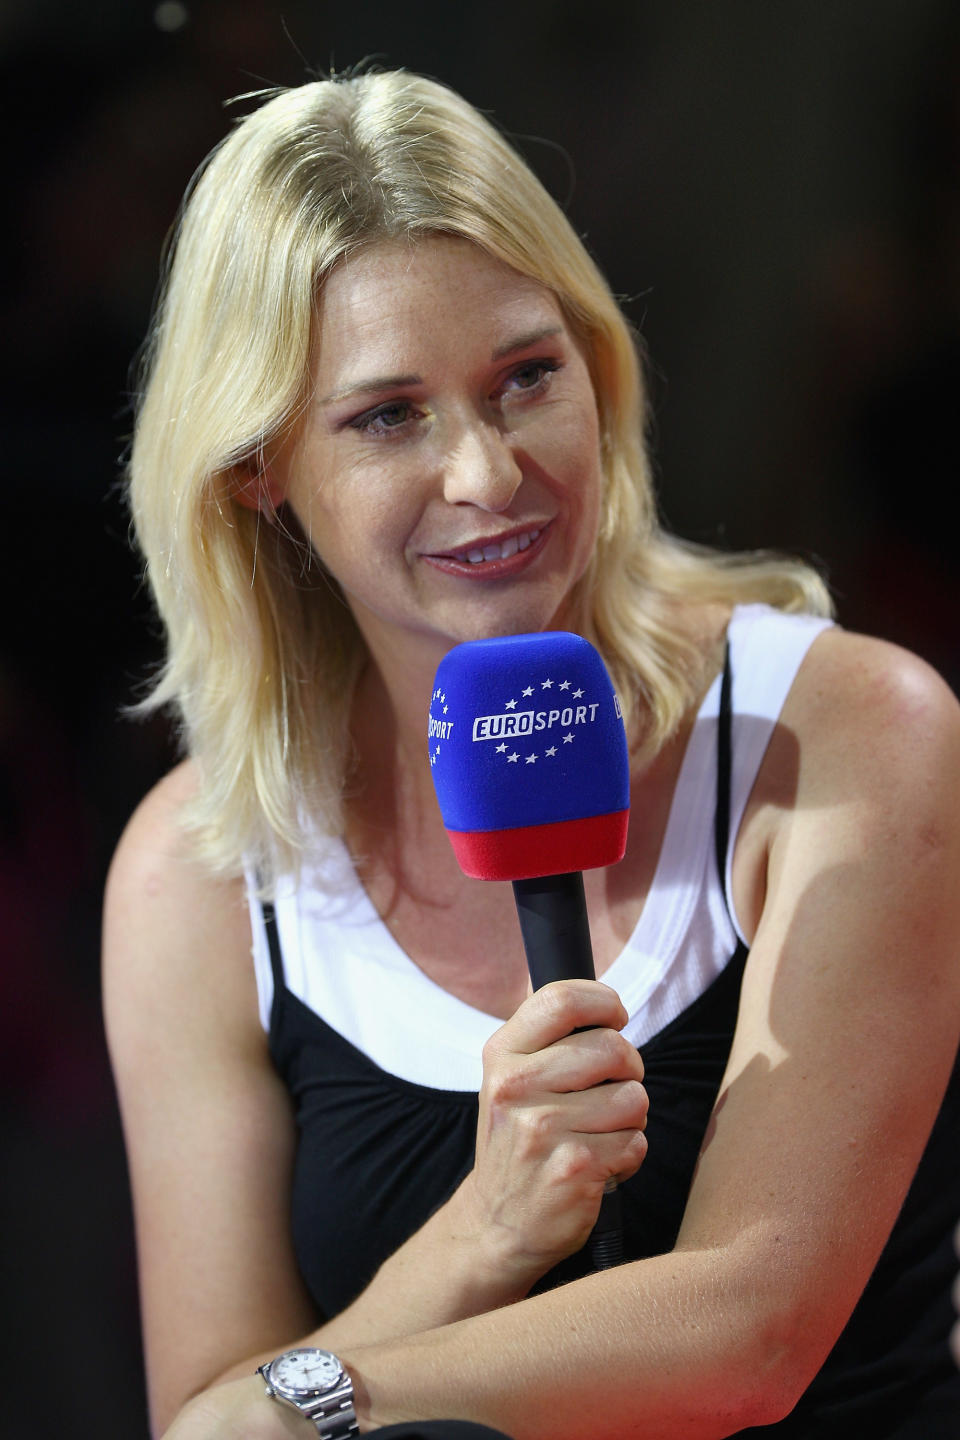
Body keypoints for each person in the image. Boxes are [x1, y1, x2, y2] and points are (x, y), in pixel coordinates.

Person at [102, 68, 960, 1440]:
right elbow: (197, 1412)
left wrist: (305, 1405)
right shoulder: (196, 872)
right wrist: (479, 1234)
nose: (489, 476)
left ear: (598, 372)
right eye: (388, 417)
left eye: (525, 379)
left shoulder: (854, 731)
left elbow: (750, 1334)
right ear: (255, 466)